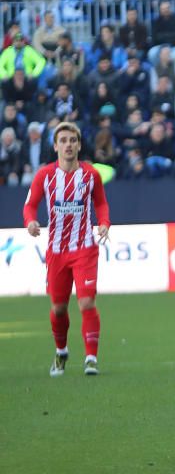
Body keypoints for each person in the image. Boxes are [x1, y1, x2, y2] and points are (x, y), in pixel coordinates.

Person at [22, 122, 110, 377]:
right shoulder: (45, 175)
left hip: (84, 248)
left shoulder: (90, 175)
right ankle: (61, 352)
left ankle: (91, 358)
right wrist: (31, 222)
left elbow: (102, 204)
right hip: (57, 252)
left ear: (79, 145)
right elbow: (29, 206)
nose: (68, 145)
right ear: (55, 146)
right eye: (63, 140)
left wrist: (104, 223)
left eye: (73, 140)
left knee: (86, 302)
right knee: (58, 308)